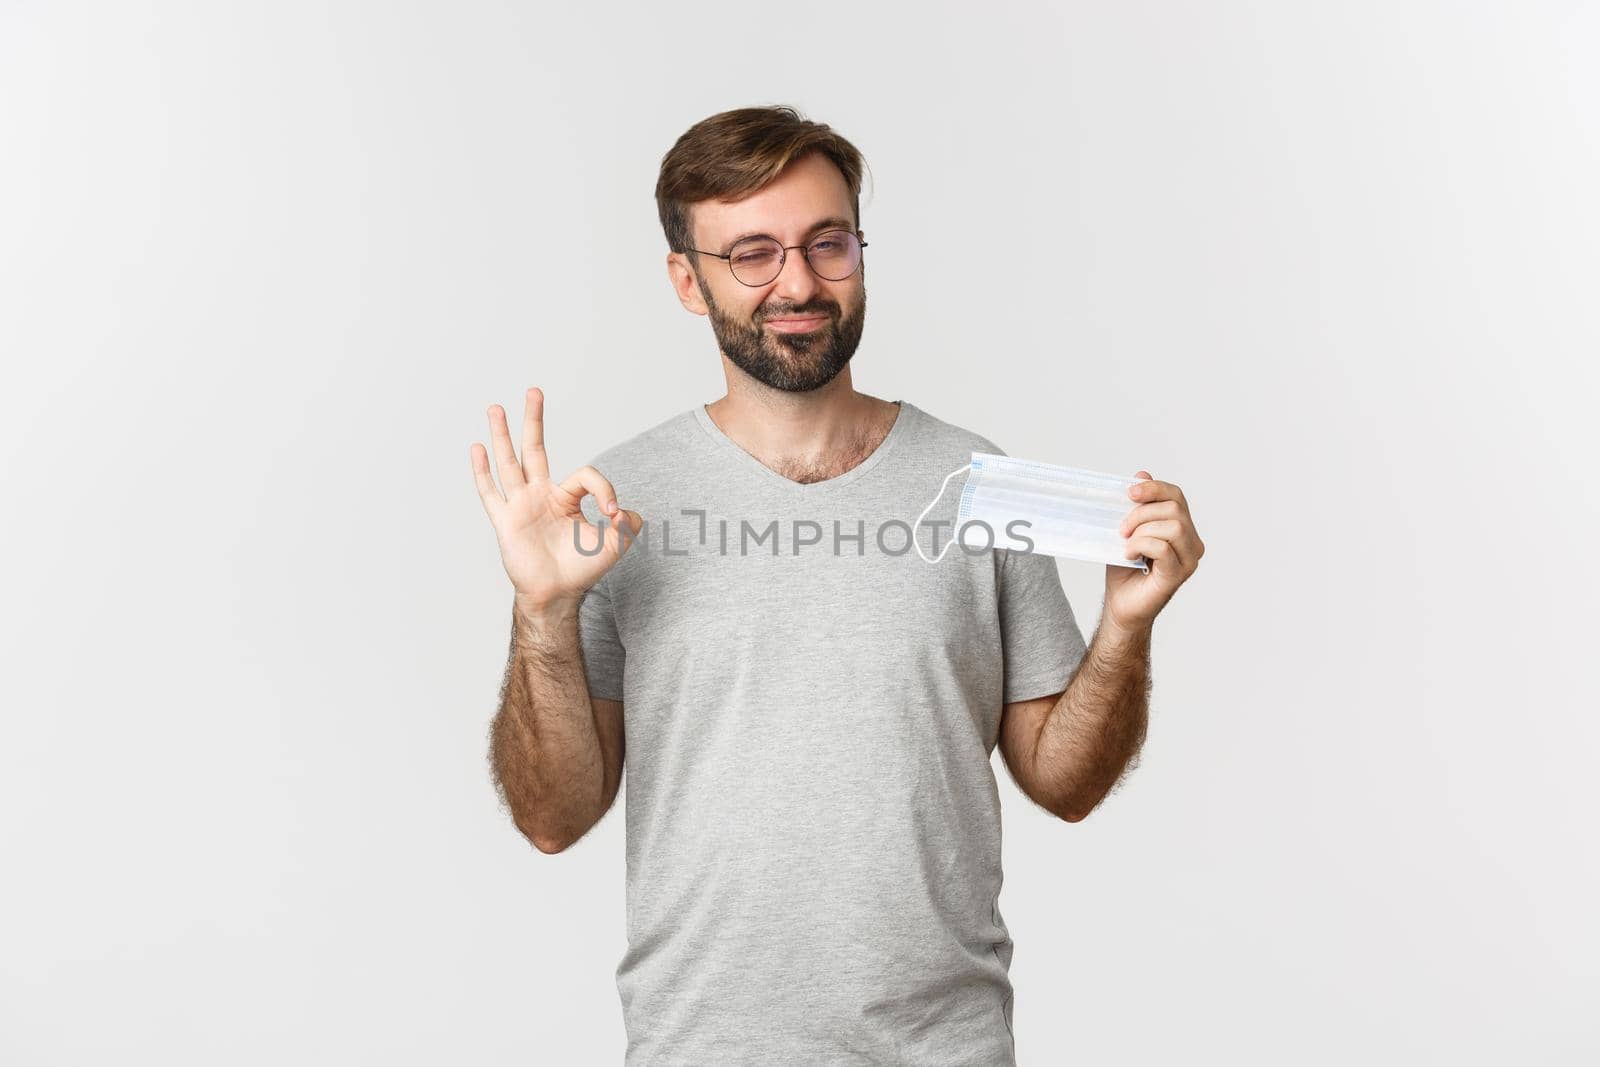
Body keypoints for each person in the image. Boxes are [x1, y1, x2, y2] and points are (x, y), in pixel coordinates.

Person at [469, 105, 1205, 1065]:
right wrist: (543, 612)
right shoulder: (613, 503)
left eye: (828, 244)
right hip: (700, 1046)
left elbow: (1062, 782)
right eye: (753, 255)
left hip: (944, 1047)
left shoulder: (976, 482)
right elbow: (554, 818)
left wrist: (1125, 627)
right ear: (687, 281)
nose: (800, 283)